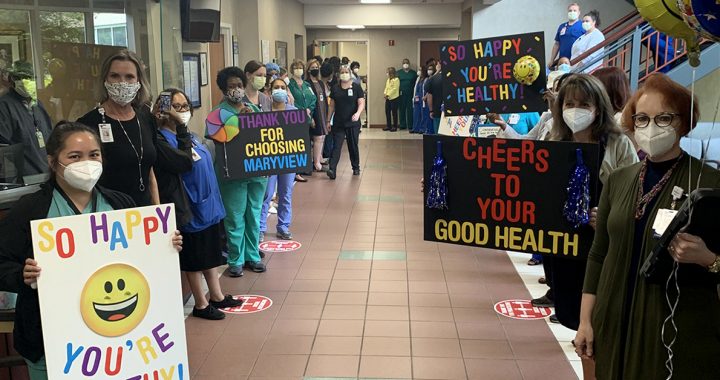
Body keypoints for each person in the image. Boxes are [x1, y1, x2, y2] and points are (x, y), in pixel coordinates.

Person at [0, 121, 182, 379]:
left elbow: (141, 260)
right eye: (74, 156)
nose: (86, 163)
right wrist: (22, 275)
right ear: (53, 162)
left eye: (94, 155)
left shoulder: (121, 205)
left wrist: (165, 247)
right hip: (49, 341)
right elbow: (2, 262)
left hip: (116, 340)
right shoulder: (30, 210)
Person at [574, 73, 720, 380]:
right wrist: (586, 321)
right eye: (641, 118)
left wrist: (708, 258)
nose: (650, 127)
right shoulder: (619, 179)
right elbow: (598, 255)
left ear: (683, 122)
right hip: (613, 322)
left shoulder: (709, 183)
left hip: (673, 330)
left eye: (663, 118)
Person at [544, 74, 637, 379]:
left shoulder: (619, 144)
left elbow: (637, 197)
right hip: (564, 254)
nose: (575, 110)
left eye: (583, 104)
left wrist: (611, 217)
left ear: (599, 107)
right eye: (569, 103)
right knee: (578, 326)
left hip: (602, 256)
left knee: (601, 331)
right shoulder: (555, 142)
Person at [77, 49, 159, 207]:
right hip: (107, 215)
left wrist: (158, 211)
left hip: (145, 214)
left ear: (139, 82)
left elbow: (149, 172)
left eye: (129, 77)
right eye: (115, 76)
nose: (122, 83)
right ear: (105, 80)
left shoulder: (146, 119)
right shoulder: (87, 125)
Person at [211, 66, 268, 277]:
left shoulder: (253, 110)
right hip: (232, 175)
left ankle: (252, 256)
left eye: (239, 85)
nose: (236, 89)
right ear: (224, 89)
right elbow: (219, 137)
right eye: (231, 86)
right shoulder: (217, 114)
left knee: (253, 215)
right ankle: (236, 259)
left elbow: (265, 138)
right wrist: (239, 121)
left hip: (256, 173)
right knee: (235, 217)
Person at [260, 78, 298, 242]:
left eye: (283, 87)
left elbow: (299, 139)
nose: (280, 90)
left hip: (288, 159)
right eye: (276, 87)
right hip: (268, 159)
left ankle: (283, 226)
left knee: (286, 193)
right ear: (269, 90)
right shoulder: (263, 113)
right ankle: (261, 228)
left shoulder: (293, 112)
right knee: (266, 194)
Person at [0, 61, 53, 176]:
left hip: (44, 174)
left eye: (31, 77)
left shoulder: (37, 105)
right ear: (12, 80)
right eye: (21, 77)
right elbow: (4, 149)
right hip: (23, 179)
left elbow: (50, 137)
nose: (27, 81)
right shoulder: (4, 106)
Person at [326, 65, 365, 180]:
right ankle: (332, 169)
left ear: (350, 73)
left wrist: (358, 114)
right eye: (342, 72)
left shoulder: (357, 88)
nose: (344, 74)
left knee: (352, 145)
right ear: (339, 74)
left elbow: (361, 103)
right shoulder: (335, 88)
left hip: (352, 123)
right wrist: (328, 120)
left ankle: (355, 167)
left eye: (346, 72)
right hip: (339, 122)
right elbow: (332, 105)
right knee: (336, 146)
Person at [288, 60, 316, 182]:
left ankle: (304, 167)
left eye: (300, 67)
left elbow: (313, 99)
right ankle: (296, 171)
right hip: (295, 118)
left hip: (307, 118)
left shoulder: (307, 85)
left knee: (306, 143)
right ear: (292, 69)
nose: (298, 69)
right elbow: (290, 101)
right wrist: (301, 110)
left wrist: (309, 109)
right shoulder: (289, 85)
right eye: (295, 67)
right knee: (296, 144)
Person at [306, 59, 328, 172]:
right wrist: (312, 118)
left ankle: (319, 157)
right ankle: (316, 163)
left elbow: (323, 98)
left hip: (322, 112)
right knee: (318, 137)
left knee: (322, 136)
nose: (315, 69)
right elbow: (310, 101)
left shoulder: (320, 82)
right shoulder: (307, 83)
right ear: (308, 69)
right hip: (315, 114)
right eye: (313, 67)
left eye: (317, 67)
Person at [549, 2, 584, 69]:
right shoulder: (562, 26)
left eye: (574, 10)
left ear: (579, 12)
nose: (572, 12)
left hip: (576, 61)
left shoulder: (583, 26)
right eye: (570, 10)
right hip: (563, 62)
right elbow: (557, 44)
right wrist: (552, 60)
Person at [320, 62, 336, 160]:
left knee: (327, 136)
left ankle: (326, 154)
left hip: (328, 113)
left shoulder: (326, 84)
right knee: (325, 136)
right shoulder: (321, 84)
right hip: (324, 113)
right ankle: (325, 155)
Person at [397, 58, 418, 131]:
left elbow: (416, 84)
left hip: (411, 94)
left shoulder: (413, 73)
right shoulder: (398, 73)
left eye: (407, 63)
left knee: (410, 109)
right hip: (401, 94)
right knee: (402, 109)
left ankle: (410, 124)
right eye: (404, 63)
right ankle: (402, 125)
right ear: (402, 64)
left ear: (409, 64)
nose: (405, 64)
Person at [426, 61, 444, 134]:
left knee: (438, 133)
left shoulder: (433, 79)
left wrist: (431, 111)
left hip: (437, 110)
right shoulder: (454, 77)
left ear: (439, 65)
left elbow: (429, 96)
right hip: (452, 112)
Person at [411, 67, 428, 134]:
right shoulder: (418, 79)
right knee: (416, 114)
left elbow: (426, 89)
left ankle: (422, 128)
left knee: (423, 114)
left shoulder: (426, 79)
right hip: (417, 98)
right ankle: (415, 128)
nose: (419, 71)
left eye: (420, 70)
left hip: (423, 99)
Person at [383, 67, 400, 132]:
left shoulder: (396, 79)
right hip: (388, 98)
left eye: (388, 72)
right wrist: (385, 93)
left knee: (394, 113)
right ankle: (388, 125)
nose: (387, 73)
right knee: (387, 112)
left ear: (392, 73)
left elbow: (394, 89)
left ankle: (394, 126)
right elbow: (386, 87)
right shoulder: (388, 80)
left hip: (394, 98)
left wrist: (388, 94)